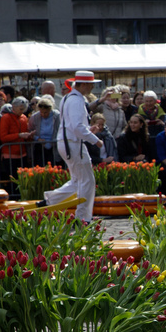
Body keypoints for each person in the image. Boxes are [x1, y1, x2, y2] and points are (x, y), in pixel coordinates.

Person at [42, 71, 103, 222]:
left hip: (68, 142)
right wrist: (95, 140)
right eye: (90, 84)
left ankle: (50, 200)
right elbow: (76, 126)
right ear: (82, 84)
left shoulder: (68, 98)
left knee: (78, 180)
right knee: (87, 180)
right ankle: (83, 218)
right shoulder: (75, 100)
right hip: (73, 144)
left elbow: (72, 125)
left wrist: (88, 131)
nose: (91, 88)